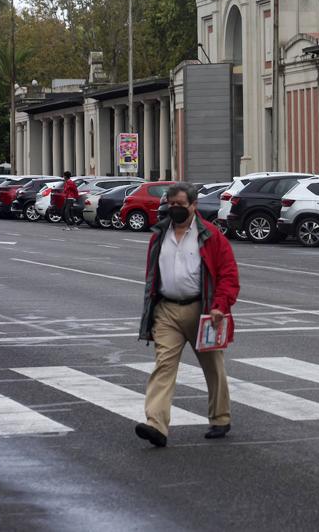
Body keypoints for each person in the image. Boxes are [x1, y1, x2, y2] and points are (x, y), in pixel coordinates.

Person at [136, 182, 240, 447]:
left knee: (213, 367)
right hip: (167, 310)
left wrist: (220, 305)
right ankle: (156, 425)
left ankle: (220, 418)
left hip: (203, 311)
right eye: (170, 205)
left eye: (180, 205)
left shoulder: (211, 236)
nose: (175, 209)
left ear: (193, 205)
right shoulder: (159, 235)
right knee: (163, 366)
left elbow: (228, 275)